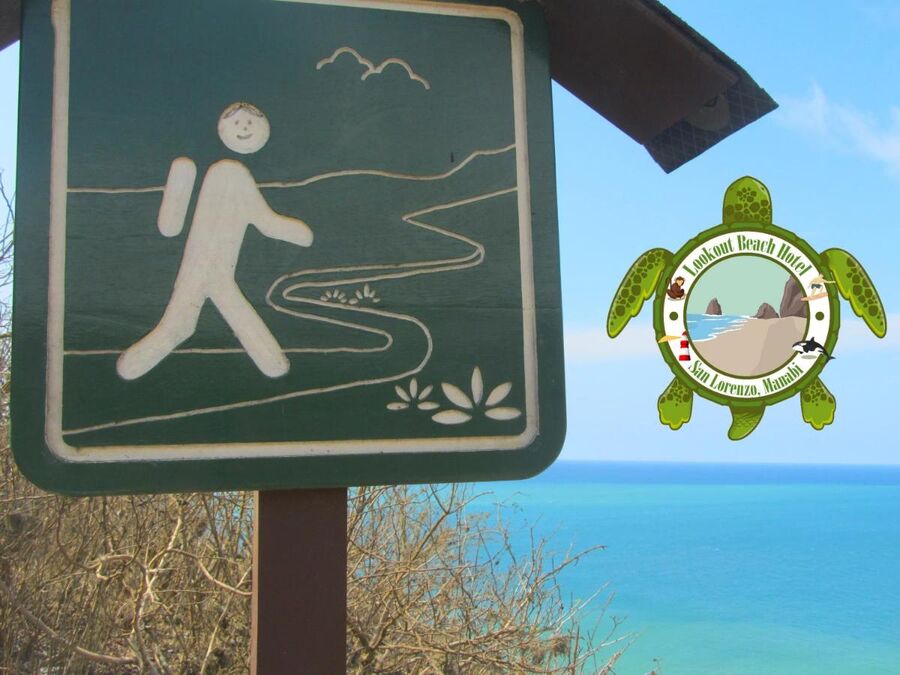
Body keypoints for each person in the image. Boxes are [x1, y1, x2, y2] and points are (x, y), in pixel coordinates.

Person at [117, 102, 313, 381]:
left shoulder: (231, 174)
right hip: (204, 266)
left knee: (186, 322)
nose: (243, 129)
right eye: (238, 123)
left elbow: (265, 221)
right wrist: (300, 234)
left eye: (248, 123)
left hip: (210, 267)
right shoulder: (224, 173)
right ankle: (272, 363)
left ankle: (272, 363)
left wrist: (299, 234)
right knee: (192, 319)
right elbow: (265, 222)